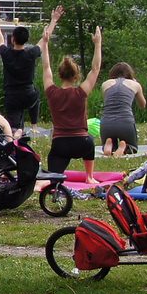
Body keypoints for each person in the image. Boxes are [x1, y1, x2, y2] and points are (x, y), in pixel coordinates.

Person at [41, 24, 103, 179]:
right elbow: (95, 69)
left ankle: (50, 181)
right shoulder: (81, 92)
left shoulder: (52, 92)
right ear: (76, 76)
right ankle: (89, 176)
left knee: (53, 178)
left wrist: (45, 43)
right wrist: (97, 44)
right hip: (82, 143)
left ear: (60, 75)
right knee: (90, 142)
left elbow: (46, 67)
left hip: (60, 144)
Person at [0, 1, 60, 132]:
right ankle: (34, 125)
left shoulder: (6, 53)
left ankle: (18, 131)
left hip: (11, 96)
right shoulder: (31, 53)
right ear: (27, 40)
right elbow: (45, 40)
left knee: (14, 127)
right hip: (28, 95)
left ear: (12, 39)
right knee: (36, 94)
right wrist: (53, 20)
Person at [98, 62, 147, 156]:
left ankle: (109, 146)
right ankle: (125, 148)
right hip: (126, 123)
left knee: (109, 140)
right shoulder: (135, 84)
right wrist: (137, 85)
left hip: (106, 123)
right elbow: (143, 105)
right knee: (133, 148)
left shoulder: (105, 84)